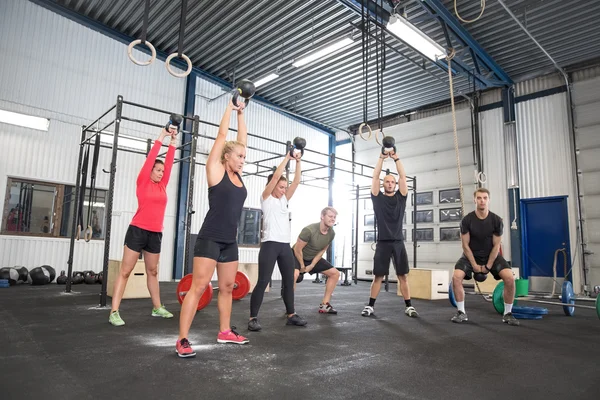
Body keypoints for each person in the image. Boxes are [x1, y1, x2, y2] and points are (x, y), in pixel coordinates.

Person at [176, 100, 249, 358]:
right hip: (209, 238)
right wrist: (230, 107)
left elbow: (242, 139)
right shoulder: (215, 170)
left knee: (228, 287)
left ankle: (225, 331)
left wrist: (242, 113)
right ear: (226, 156)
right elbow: (222, 136)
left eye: (244, 156)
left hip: (230, 241)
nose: (243, 159)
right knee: (198, 287)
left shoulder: (238, 175)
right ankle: (183, 339)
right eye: (239, 156)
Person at [109, 127, 177, 326]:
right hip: (137, 230)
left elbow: (170, 164)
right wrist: (163, 136)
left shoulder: (162, 185)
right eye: (157, 170)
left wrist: (173, 142)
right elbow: (152, 158)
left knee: (153, 271)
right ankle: (114, 311)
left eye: (162, 171)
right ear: (150, 171)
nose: (161, 173)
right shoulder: (143, 182)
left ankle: (157, 307)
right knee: (125, 271)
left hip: (155, 233)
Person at [248, 152, 307, 331]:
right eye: (281, 186)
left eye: (284, 187)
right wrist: (287, 158)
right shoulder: (266, 198)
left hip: (284, 246)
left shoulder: (283, 200)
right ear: (272, 186)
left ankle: (291, 315)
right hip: (270, 244)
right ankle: (253, 318)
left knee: (289, 280)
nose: (284, 189)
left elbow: (296, 182)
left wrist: (298, 162)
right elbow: (275, 177)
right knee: (263, 280)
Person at [361, 150, 418, 318]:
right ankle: (370, 306)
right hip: (383, 243)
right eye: (387, 181)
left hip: (398, 242)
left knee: (403, 276)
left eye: (393, 182)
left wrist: (396, 158)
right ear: (383, 184)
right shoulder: (377, 198)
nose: (391, 183)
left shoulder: (401, 197)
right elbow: (374, 177)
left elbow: (403, 176)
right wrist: (381, 158)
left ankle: (409, 306)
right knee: (378, 276)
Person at [451, 188, 519, 326]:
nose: (482, 200)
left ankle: (508, 313)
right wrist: (475, 265)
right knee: (456, 277)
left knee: (510, 277)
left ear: (489, 200)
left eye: (485, 198)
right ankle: (461, 312)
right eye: (479, 198)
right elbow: (465, 245)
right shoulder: (467, 220)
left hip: (491, 255)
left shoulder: (496, 220)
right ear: (475, 200)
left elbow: (496, 246)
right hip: (471, 255)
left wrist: (488, 265)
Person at [292, 207, 339, 314]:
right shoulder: (309, 230)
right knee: (295, 275)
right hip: (296, 255)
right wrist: (302, 266)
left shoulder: (331, 233)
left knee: (335, 274)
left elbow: (322, 250)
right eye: (330, 216)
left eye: (334, 217)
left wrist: (312, 265)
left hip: (312, 257)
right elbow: (297, 249)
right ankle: (290, 308)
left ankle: (324, 305)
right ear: (322, 217)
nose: (333, 219)